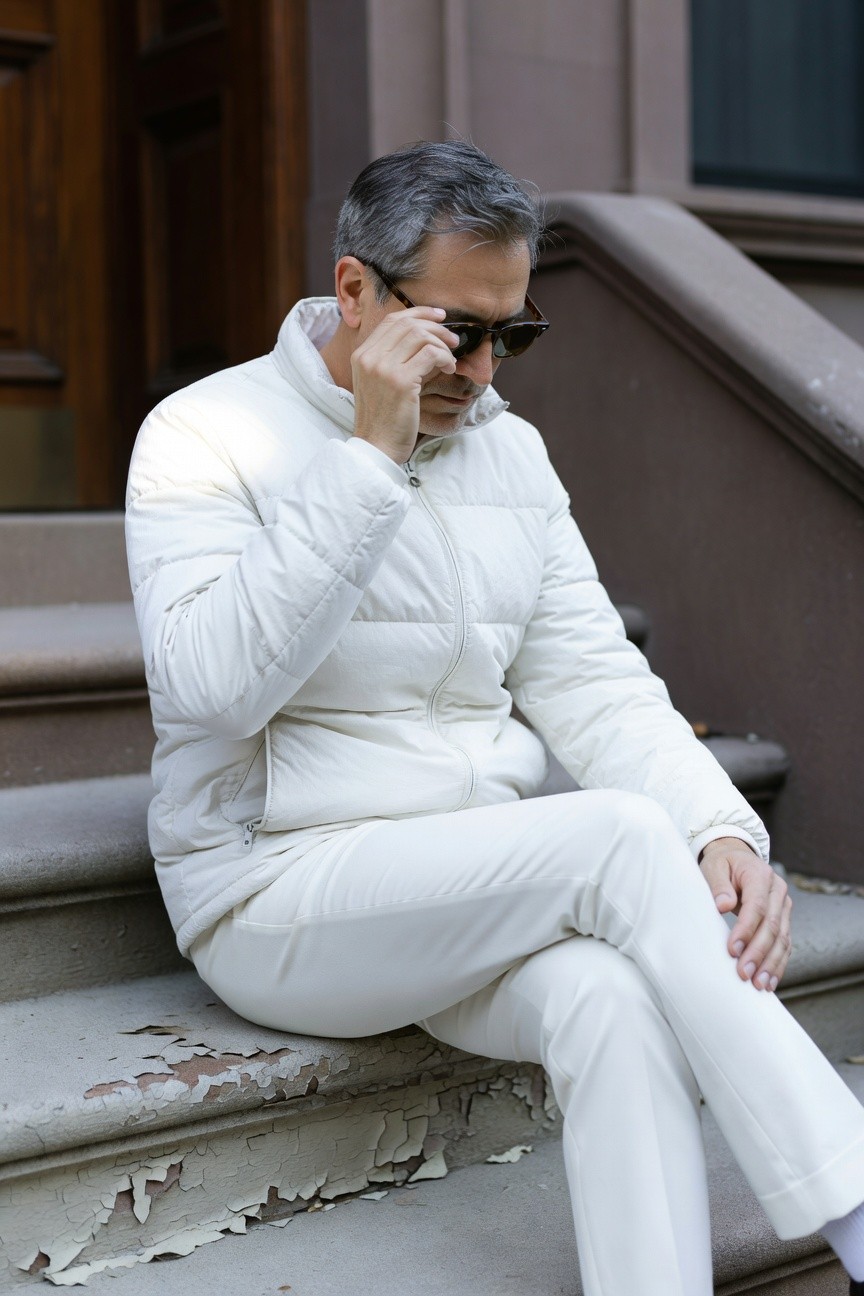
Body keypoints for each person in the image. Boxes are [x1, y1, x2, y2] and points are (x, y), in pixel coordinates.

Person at [125, 140, 864, 1296]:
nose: (483, 371)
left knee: (612, 1000)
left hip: (465, 881)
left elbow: (593, 678)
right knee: (620, 836)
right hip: (273, 891)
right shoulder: (202, 435)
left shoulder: (507, 451)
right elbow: (211, 689)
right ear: (356, 290)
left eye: (511, 336)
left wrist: (720, 829)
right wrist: (370, 454)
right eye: (456, 333)